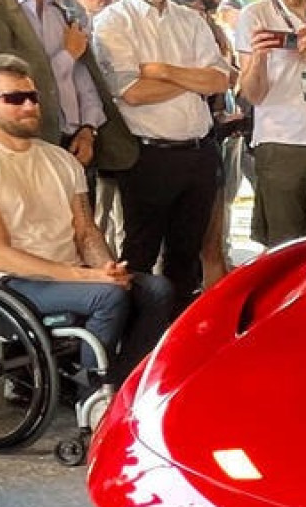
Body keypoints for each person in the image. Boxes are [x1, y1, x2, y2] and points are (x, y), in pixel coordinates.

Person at [0, 53, 174, 387]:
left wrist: (107, 269)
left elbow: (86, 232)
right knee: (107, 296)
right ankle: (93, 393)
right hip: (7, 283)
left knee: (157, 290)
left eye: (33, 97)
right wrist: (89, 278)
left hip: (66, 274)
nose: (30, 106)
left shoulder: (61, 160)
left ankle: (123, 382)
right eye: (15, 98)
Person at [92, 0, 231, 302]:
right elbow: (133, 92)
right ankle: (139, 328)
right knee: (140, 253)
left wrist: (163, 71)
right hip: (148, 154)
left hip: (199, 150)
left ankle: (177, 324)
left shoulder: (189, 18)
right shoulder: (114, 20)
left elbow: (220, 80)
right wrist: (193, 80)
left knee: (187, 253)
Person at [0, 0, 135, 180]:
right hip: (17, 154)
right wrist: (67, 56)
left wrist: (88, 129)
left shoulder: (62, 10)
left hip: (75, 146)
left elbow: (84, 79)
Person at [235, 0, 306, 244]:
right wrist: (259, 59)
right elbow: (253, 95)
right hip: (279, 141)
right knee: (283, 241)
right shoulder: (256, 14)